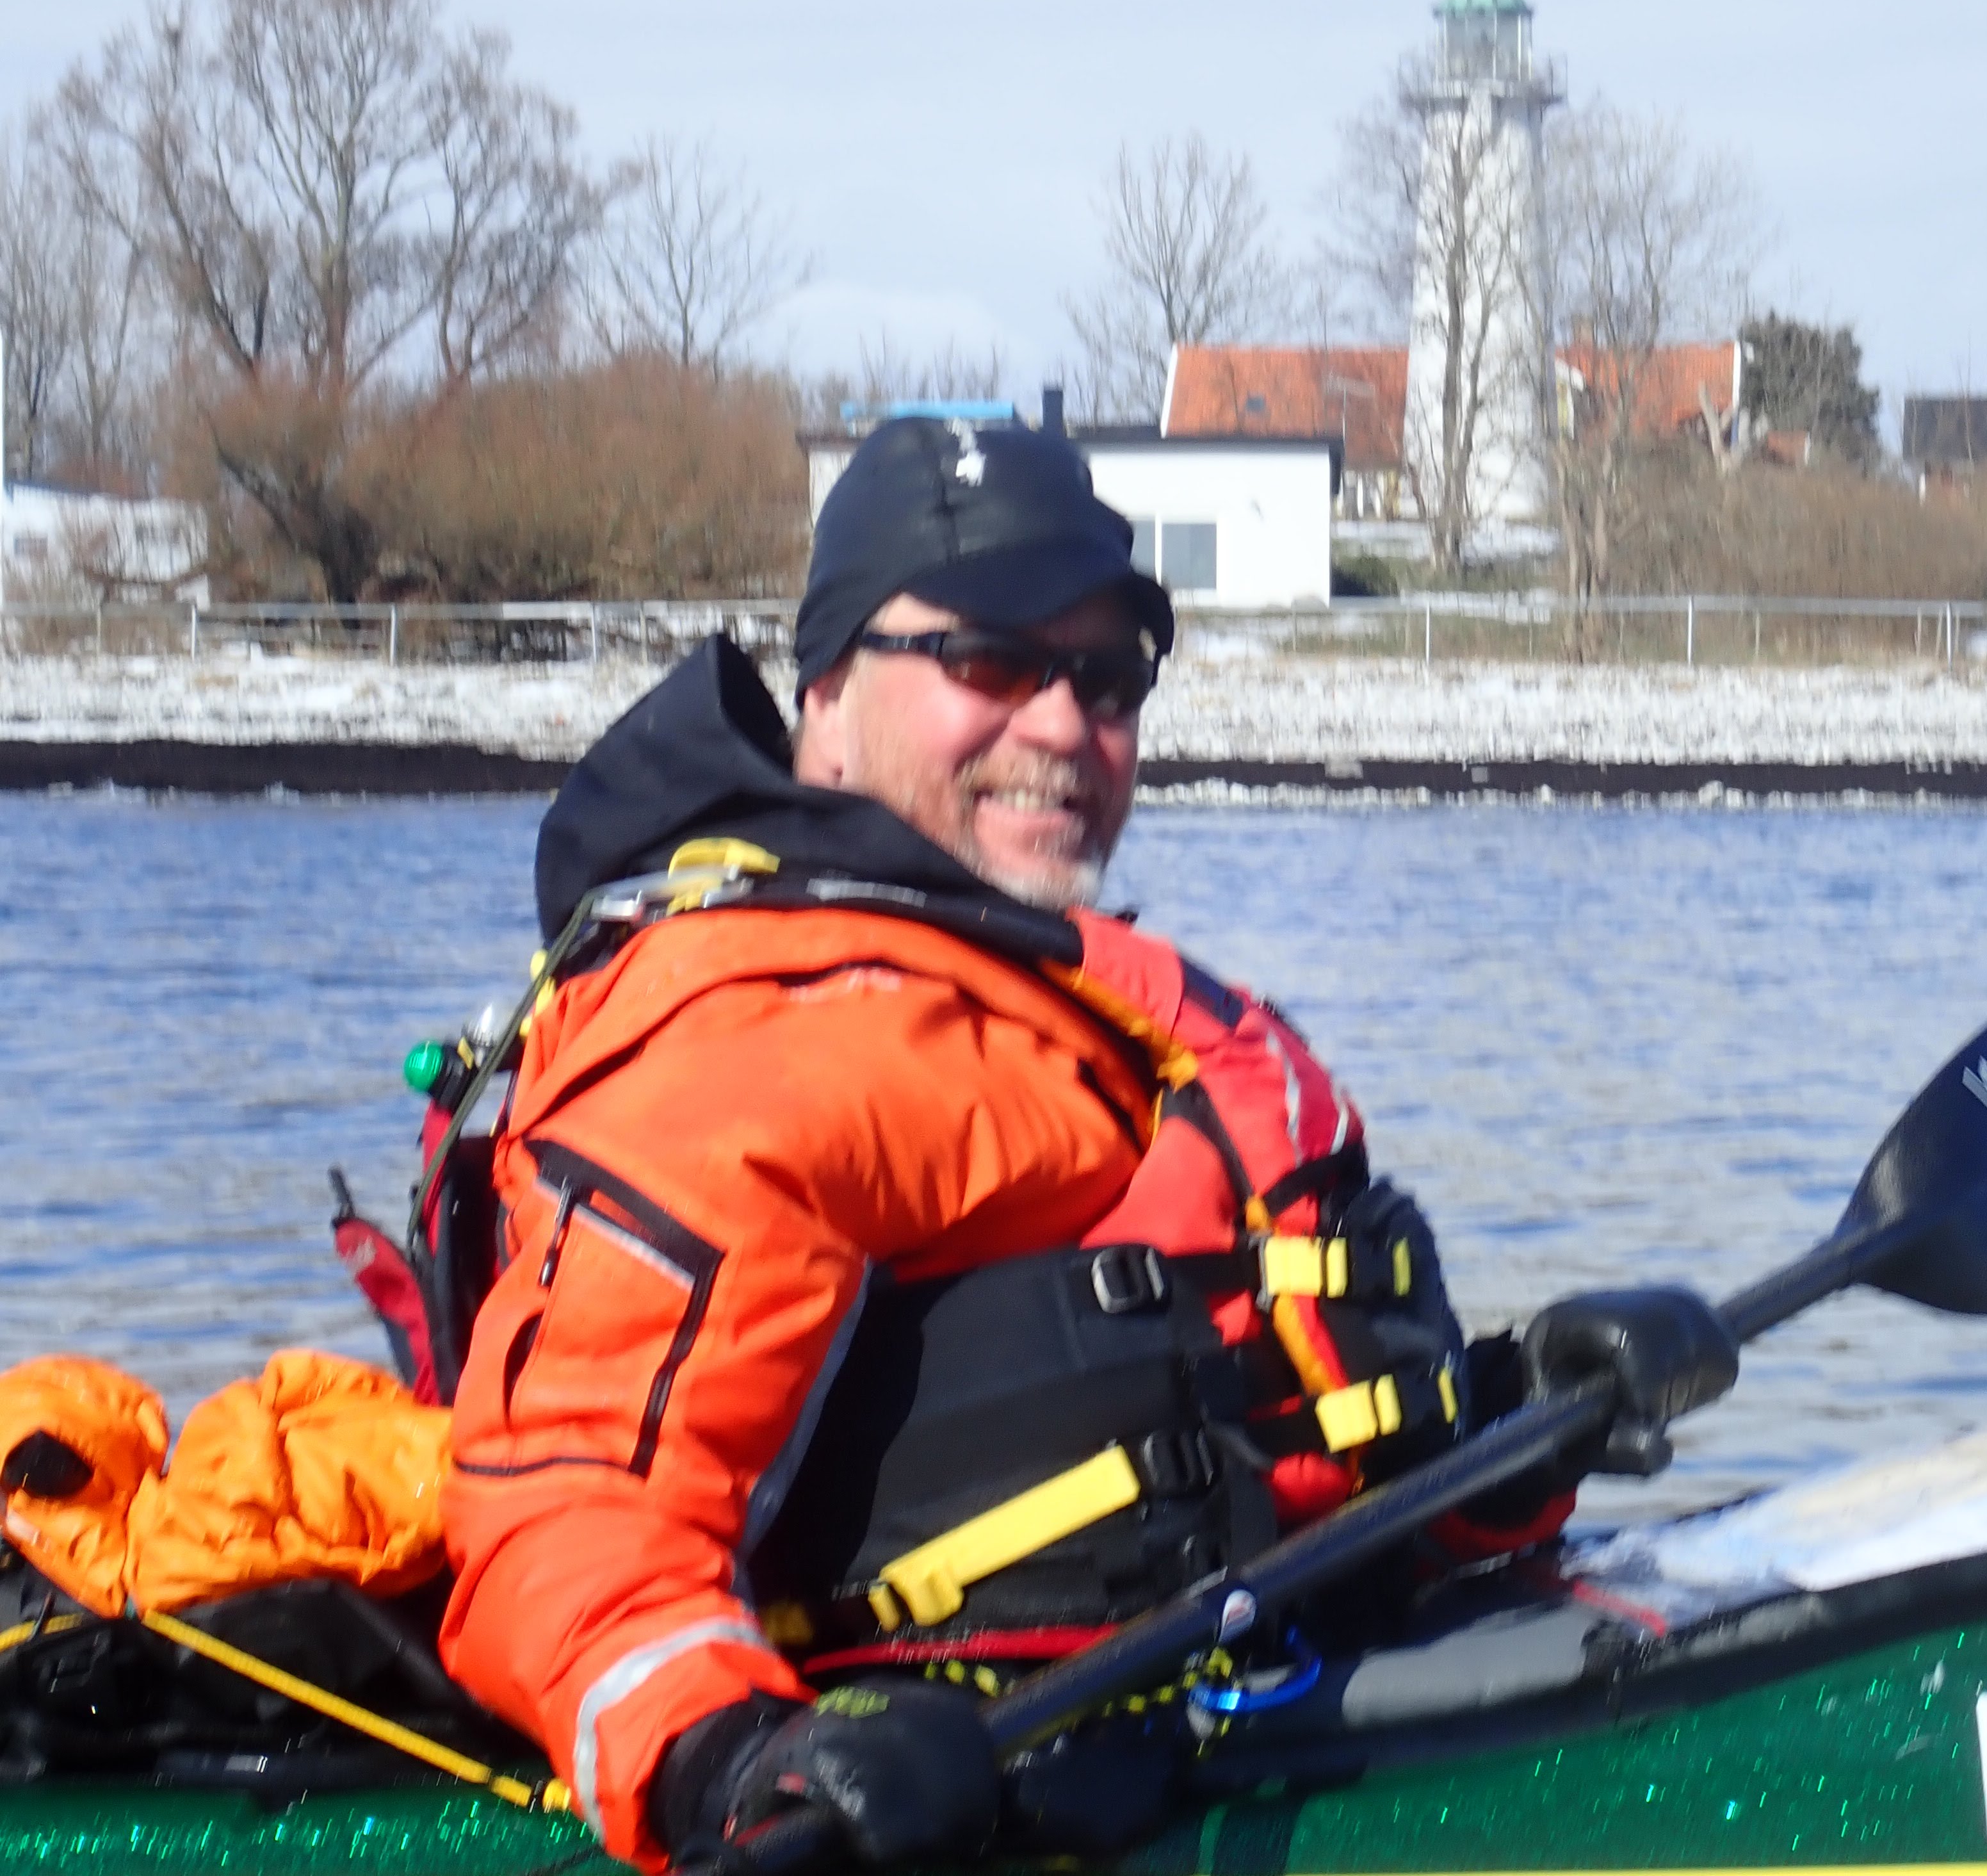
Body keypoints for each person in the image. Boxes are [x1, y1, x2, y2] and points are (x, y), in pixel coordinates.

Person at [434, 418, 1732, 1872]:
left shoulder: (1056, 1012)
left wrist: (1498, 1439)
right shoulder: (733, 1049)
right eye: (987, 660)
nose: (1061, 726)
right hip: (938, 1804)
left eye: (1105, 678)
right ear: (828, 696)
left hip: (1211, 1720)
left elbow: (1223, 1461)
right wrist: (727, 1759)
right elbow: (559, 1515)